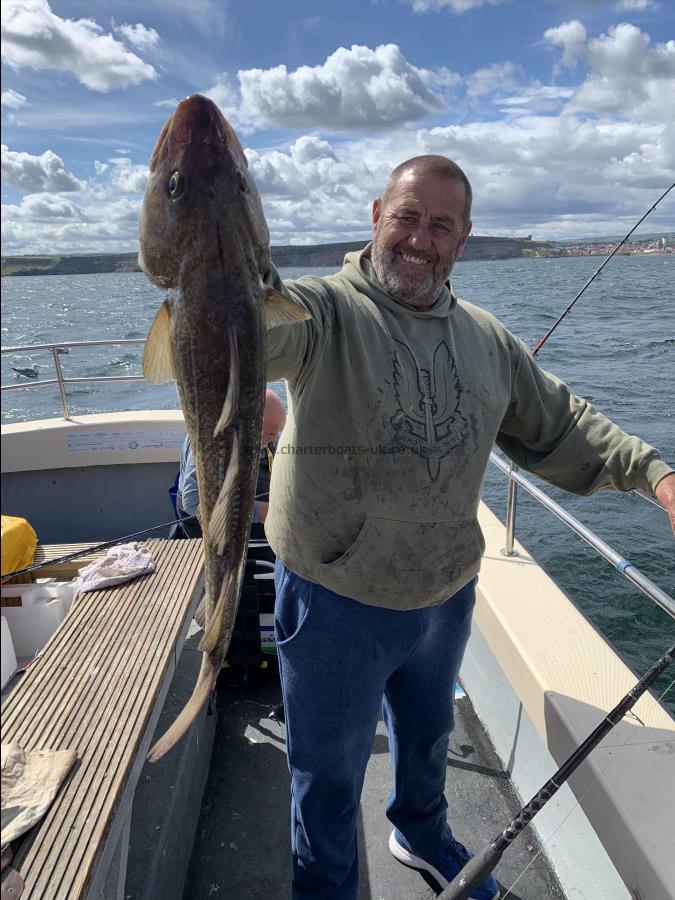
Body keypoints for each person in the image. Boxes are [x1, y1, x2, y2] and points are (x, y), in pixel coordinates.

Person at [262, 155, 675, 900]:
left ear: (463, 237)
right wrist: (211, 266)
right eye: (407, 218)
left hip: (444, 588)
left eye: (440, 225)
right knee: (325, 771)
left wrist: (658, 477)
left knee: (425, 743)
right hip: (334, 597)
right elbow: (250, 335)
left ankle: (420, 837)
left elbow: (562, 422)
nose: (420, 239)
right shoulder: (318, 309)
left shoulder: (486, 337)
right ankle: (324, 886)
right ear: (375, 217)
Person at [176, 387, 286, 538]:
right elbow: (192, 501)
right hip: (202, 519)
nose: (274, 440)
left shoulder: (264, 437)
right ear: (249, 426)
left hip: (237, 498)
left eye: (278, 433)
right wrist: (258, 512)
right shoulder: (211, 440)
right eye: (270, 434)